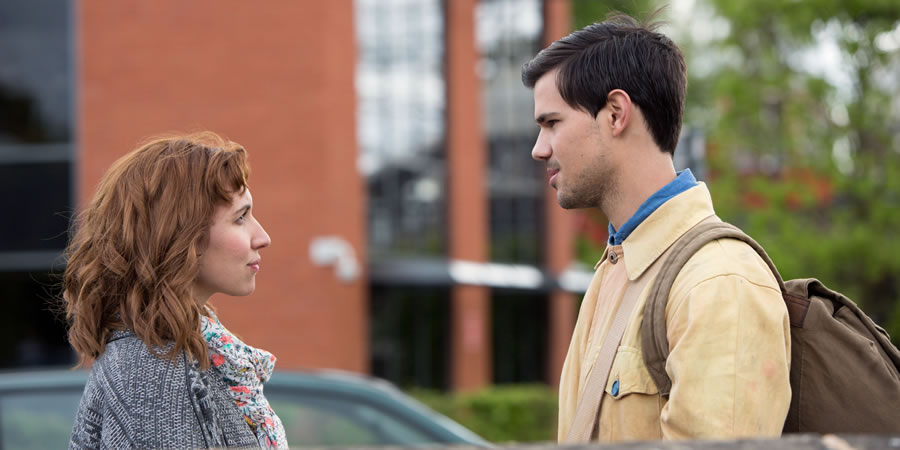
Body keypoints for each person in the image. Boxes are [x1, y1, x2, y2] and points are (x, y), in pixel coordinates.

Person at [521, 14, 791, 442]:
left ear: (615, 114)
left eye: (552, 123)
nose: (540, 149)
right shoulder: (617, 267)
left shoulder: (719, 281)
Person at [65, 132, 287, 448]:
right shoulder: (156, 374)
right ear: (179, 236)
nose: (262, 236)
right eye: (241, 218)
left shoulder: (165, 352)